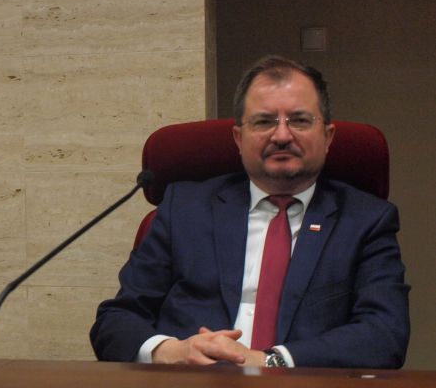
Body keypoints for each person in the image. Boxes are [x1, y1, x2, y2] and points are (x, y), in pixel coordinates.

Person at [91, 55, 409, 368]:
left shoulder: (366, 220)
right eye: (264, 121)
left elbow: (384, 334)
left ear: (328, 137)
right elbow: (116, 320)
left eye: (300, 120)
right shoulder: (184, 209)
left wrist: (271, 361)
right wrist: (171, 351)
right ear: (239, 138)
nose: (282, 136)